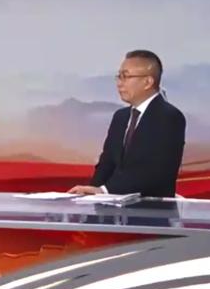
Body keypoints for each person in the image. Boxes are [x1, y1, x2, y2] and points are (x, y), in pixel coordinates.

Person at [69, 50, 185, 198]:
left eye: (125, 76)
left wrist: (105, 191)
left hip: (150, 208)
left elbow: (154, 171)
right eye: (118, 77)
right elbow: (107, 163)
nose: (119, 83)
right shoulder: (121, 117)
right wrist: (91, 192)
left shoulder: (169, 117)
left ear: (148, 82)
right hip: (111, 206)